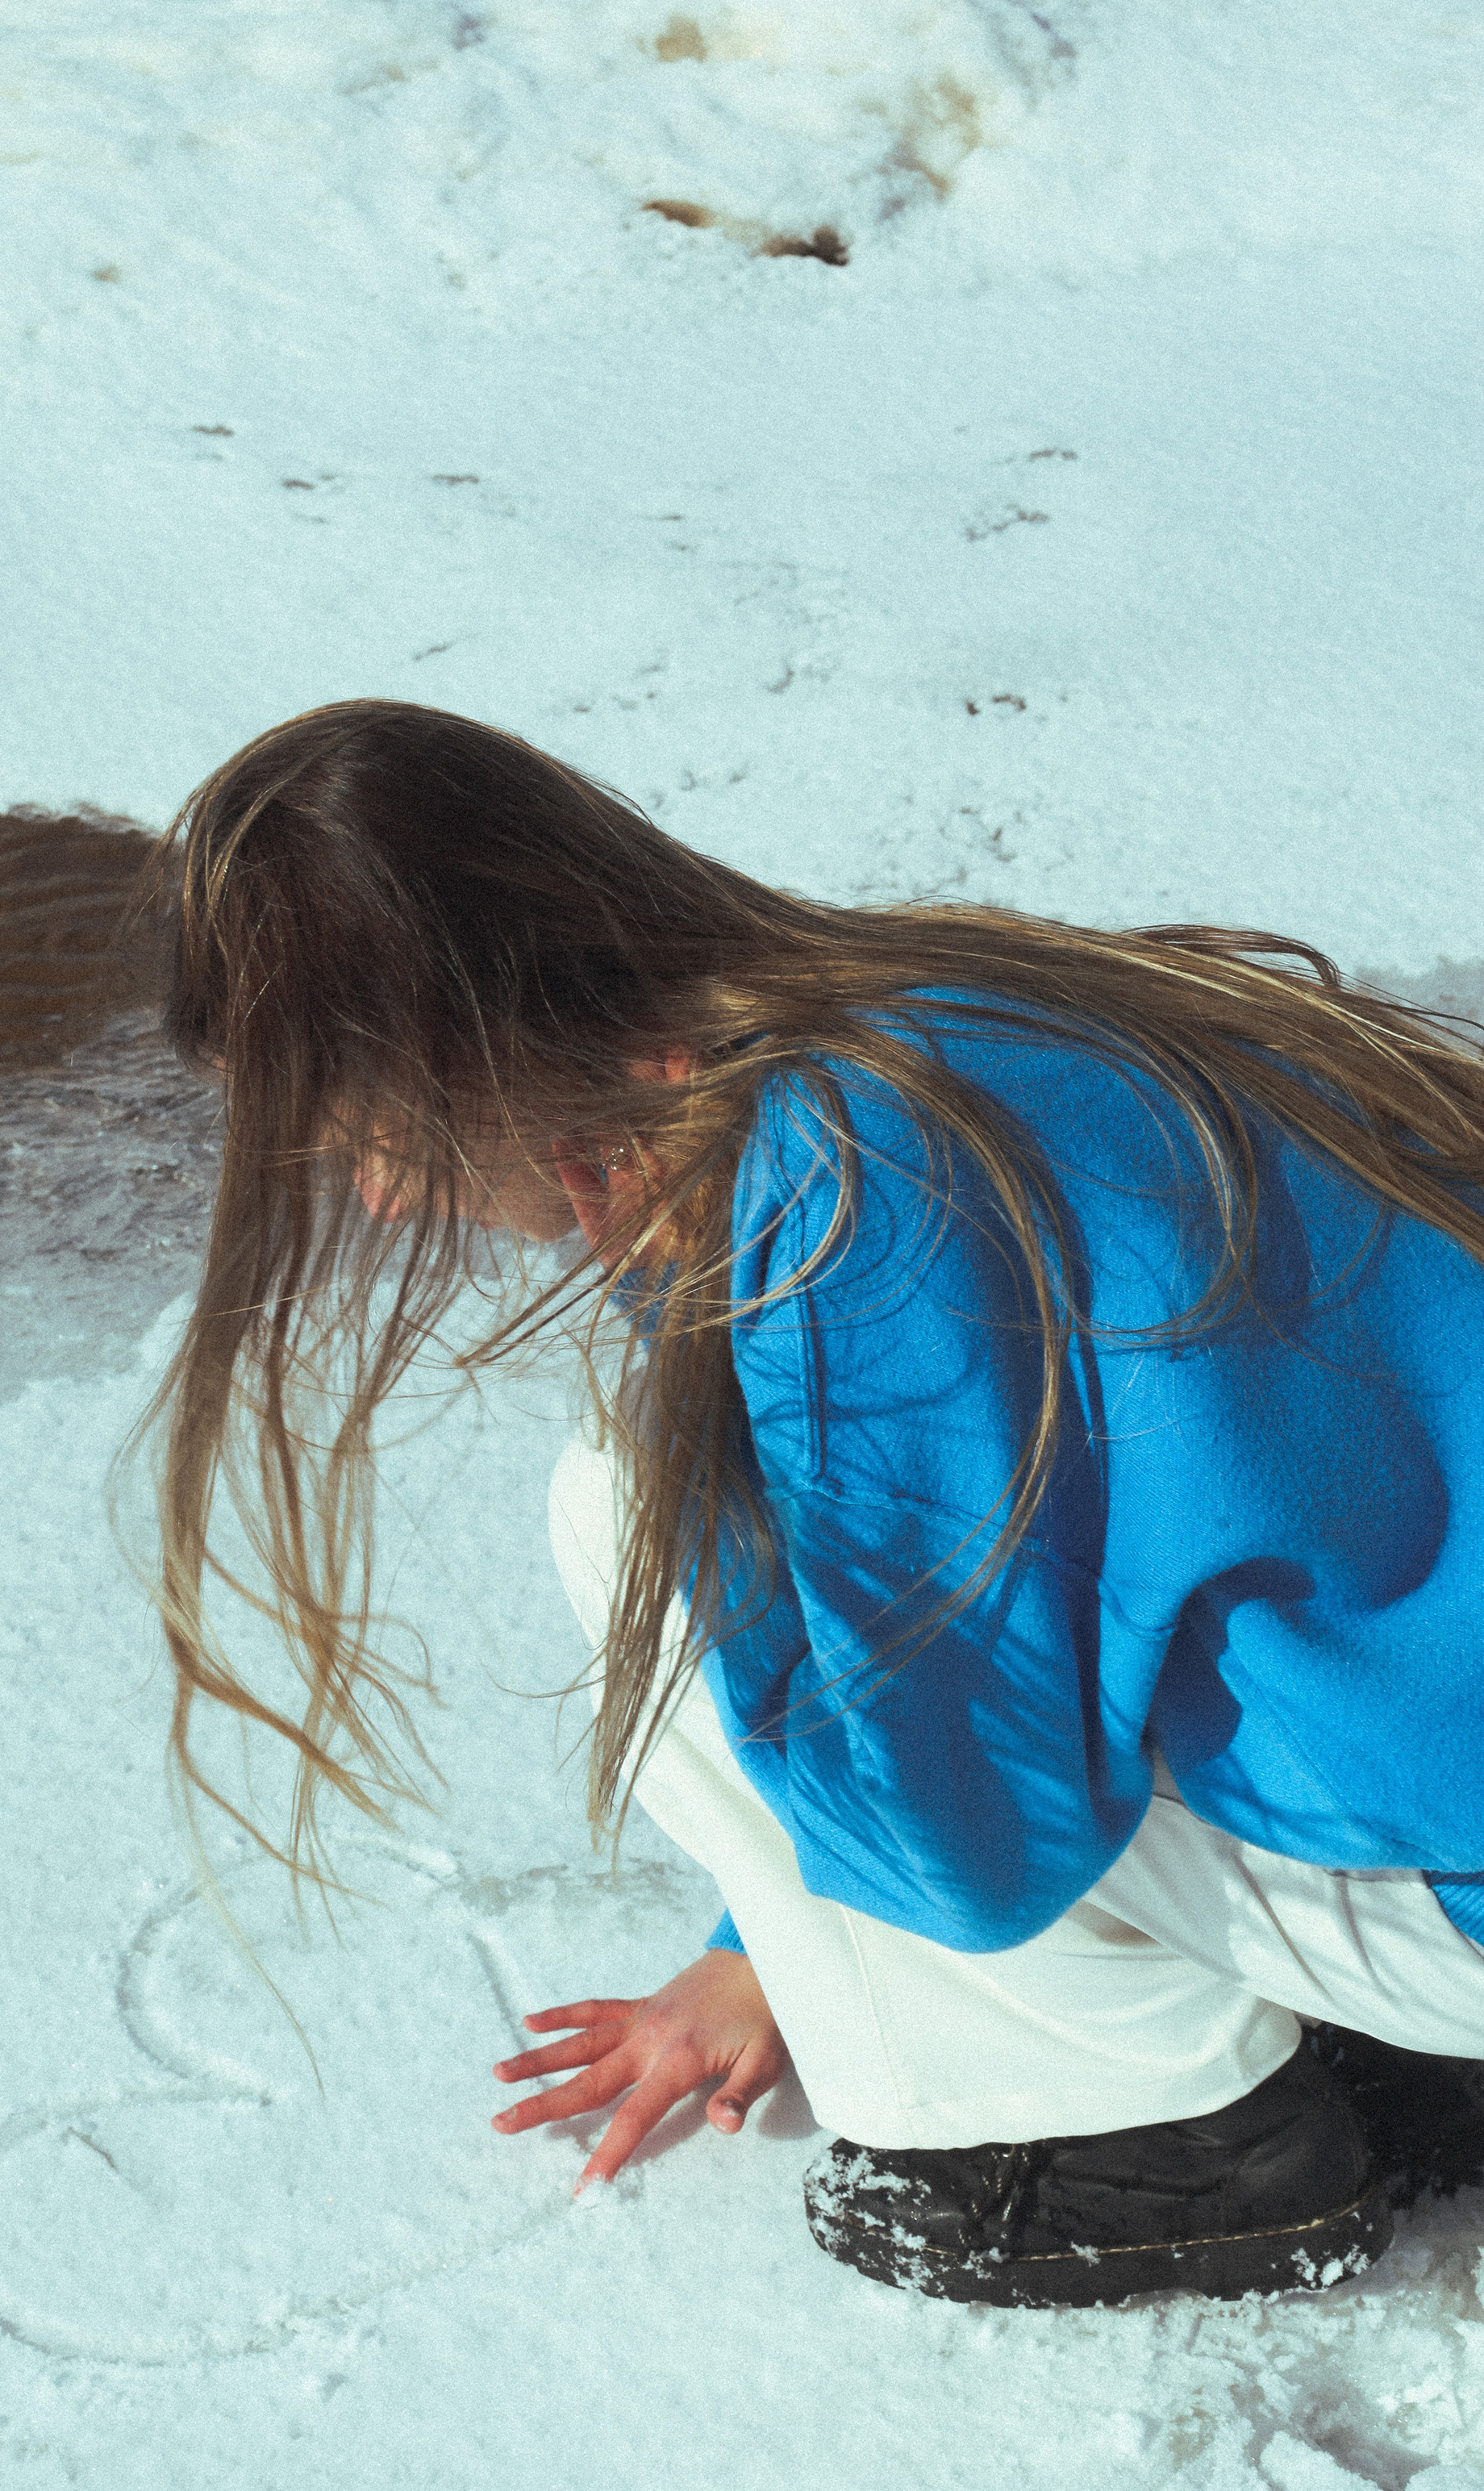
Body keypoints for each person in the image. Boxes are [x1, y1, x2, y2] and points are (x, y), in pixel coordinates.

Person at [144, 699, 1484, 2308]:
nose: (369, 1193)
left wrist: (826, 1923)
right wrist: (752, 1939)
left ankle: (1161, 2158)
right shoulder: (919, 1004)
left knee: (626, 1506)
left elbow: (967, 1844)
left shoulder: (847, 1214)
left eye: (360, 1136)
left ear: (466, 1062)